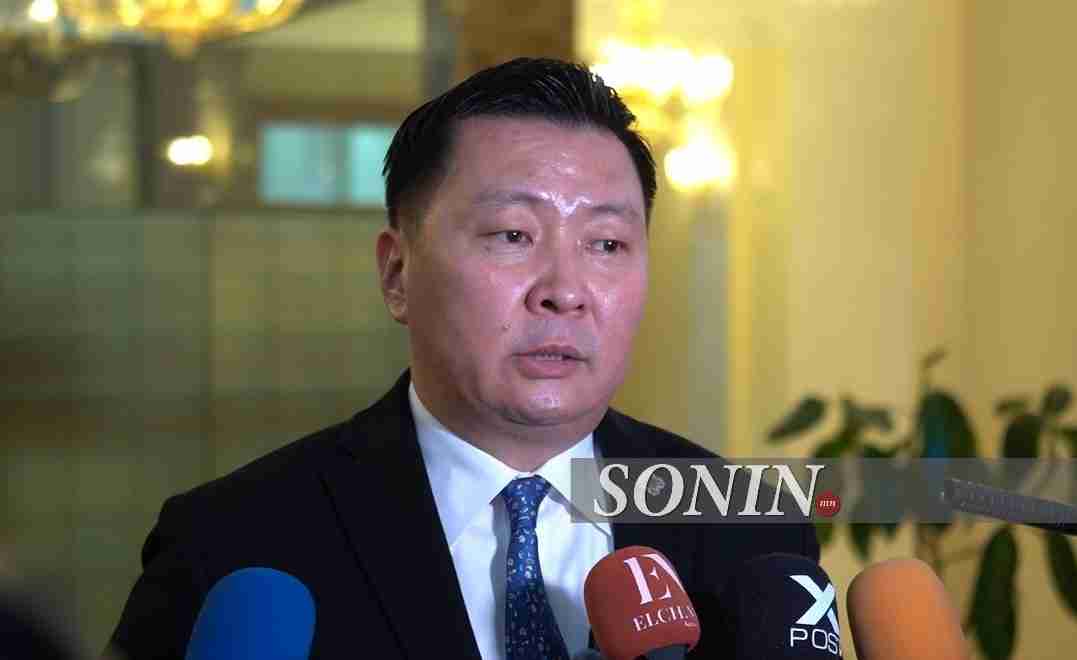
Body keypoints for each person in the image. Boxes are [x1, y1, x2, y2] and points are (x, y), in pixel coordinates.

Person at [107, 57, 818, 660]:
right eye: (512, 235)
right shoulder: (233, 541)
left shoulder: (748, 525)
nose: (565, 291)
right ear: (397, 274)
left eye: (606, 244)